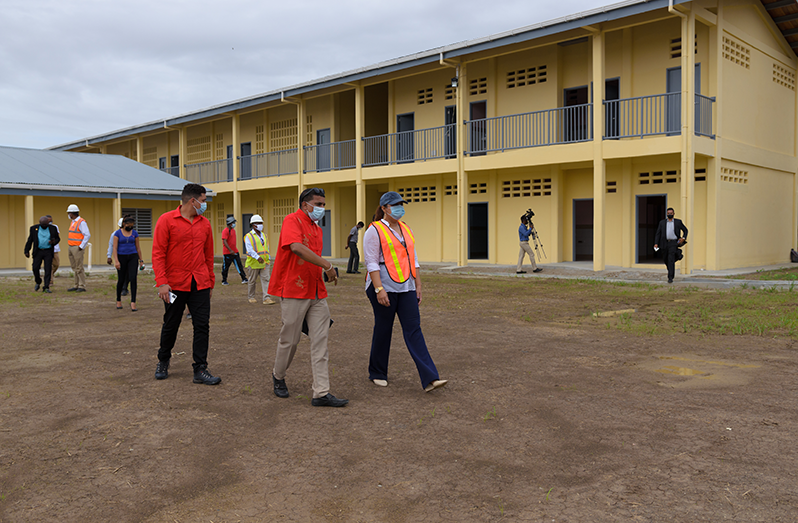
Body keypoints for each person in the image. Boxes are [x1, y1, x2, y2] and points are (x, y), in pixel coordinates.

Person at [269, 187, 348, 407]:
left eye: (323, 204)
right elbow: (296, 247)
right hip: (294, 290)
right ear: (305, 205)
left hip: (316, 291)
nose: (322, 208)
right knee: (290, 339)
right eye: (318, 204)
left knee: (320, 341)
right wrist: (327, 264)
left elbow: (313, 257)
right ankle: (278, 375)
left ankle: (321, 393)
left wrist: (323, 270)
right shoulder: (291, 221)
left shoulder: (316, 229)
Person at [363, 191, 447, 393]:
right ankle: (377, 372)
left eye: (401, 204)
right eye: (394, 205)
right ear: (384, 208)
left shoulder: (406, 229)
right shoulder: (373, 231)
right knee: (384, 329)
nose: (399, 208)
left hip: (407, 286)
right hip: (383, 286)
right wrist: (379, 289)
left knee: (414, 329)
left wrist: (418, 284)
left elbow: (413, 258)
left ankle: (430, 378)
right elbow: (371, 262)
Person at [152, 183, 221, 385]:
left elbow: (208, 256)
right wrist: (162, 282)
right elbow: (158, 253)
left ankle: (200, 368)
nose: (204, 204)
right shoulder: (166, 221)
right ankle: (163, 359)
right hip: (174, 284)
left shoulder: (205, 224)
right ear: (193, 200)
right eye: (203, 200)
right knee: (171, 324)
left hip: (199, 283)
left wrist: (210, 283)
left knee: (202, 325)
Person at [113, 215, 145, 311]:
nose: (130, 227)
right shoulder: (117, 233)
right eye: (128, 225)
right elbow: (114, 248)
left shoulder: (134, 233)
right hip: (121, 257)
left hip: (133, 256)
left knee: (133, 278)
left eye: (131, 225)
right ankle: (118, 300)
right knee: (121, 279)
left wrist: (141, 260)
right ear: (124, 224)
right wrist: (116, 261)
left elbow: (138, 247)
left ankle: (133, 302)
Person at [244, 214, 275, 305]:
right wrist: (257, 257)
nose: (261, 225)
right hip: (254, 262)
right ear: (253, 225)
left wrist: (268, 257)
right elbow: (249, 250)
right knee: (252, 280)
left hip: (264, 262)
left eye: (261, 223)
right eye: (258, 223)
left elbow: (266, 247)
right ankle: (251, 297)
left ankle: (267, 298)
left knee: (266, 279)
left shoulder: (264, 235)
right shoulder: (248, 236)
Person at [24, 216, 60, 294]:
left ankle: (46, 286)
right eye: (43, 225)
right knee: (35, 268)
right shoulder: (34, 229)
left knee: (48, 269)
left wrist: (54, 242)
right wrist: (27, 250)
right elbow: (30, 240)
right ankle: (38, 281)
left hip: (48, 252)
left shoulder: (53, 228)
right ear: (40, 223)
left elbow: (58, 239)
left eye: (46, 225)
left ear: (48, 223)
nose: (44, 226)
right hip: (38, 251)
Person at [654, 207, 688, 284]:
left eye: (671, 213)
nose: (669, 214)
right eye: (668, 213)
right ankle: (678, 255)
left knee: (670, 259)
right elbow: (658, 233)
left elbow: (685, 230)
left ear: (673, 214)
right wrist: (656, 243)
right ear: (666, 214)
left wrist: (683, 238)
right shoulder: (662, 223)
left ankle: (670, 277)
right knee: (665, 259)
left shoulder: (678, 222)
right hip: (664, 243)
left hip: (673, 243)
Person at [66, 204, 91, 292]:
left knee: (79, 267)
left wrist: (81, 246)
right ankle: (76, 285)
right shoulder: (73, 222)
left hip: (77, 247)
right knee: (75, 267)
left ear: (72, 213)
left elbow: (87, 235)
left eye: (69, 213)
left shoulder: (81, 222)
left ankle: (82, 285)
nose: (68, 215)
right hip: (71, 246)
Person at [221, 216, 248, 286]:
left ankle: (244, 278)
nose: (234, 224)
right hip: (227, 253)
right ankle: (224, 280)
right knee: (226, 267)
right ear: (230, 223)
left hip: (235, 251)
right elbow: (225, 241)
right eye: (233, 223)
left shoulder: (233, 231)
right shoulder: (225, 231)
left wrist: (233, 250)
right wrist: (230, 250)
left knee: (239, 265)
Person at [107, 218, 130, 296]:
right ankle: (123, 288)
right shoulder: (114, 234)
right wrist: (109, 256)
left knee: (129, 274)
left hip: (130, 256)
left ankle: (125, 287)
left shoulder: (131, 233)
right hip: (120, 256)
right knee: (122, 273)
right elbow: (111, 245)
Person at [45, 215, 60, 287]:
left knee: (56, 264)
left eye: (51, 221)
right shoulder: (43, 228)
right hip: (47, 249)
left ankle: (49, 274)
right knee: (49, 265)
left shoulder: (55, 227)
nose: (49, 222)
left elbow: (58, 237)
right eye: (48, 221)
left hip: (55, 249)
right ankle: (50, 280)